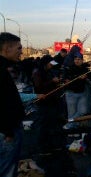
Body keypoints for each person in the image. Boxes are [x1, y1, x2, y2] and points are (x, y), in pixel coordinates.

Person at [0, 32, 25, 177]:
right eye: (19, 48)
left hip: (8, 130)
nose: (21, 51)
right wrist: (8, 131)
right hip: (6, 134)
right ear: (7, 48)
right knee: (6, 170)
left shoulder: (5, 67)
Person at [62, 52, 91, 129]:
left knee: (83, 111)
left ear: (82, 60)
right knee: (72, 113)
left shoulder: (85, 69)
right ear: (74, 60)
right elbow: (65, 78)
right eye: (76, 59)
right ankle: (72, 128)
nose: (77, 61)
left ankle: (69, 125)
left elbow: (90, 75)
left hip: (82, 92)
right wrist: (78, 77)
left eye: (79, 59)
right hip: (71, 93)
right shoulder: (69, 68)